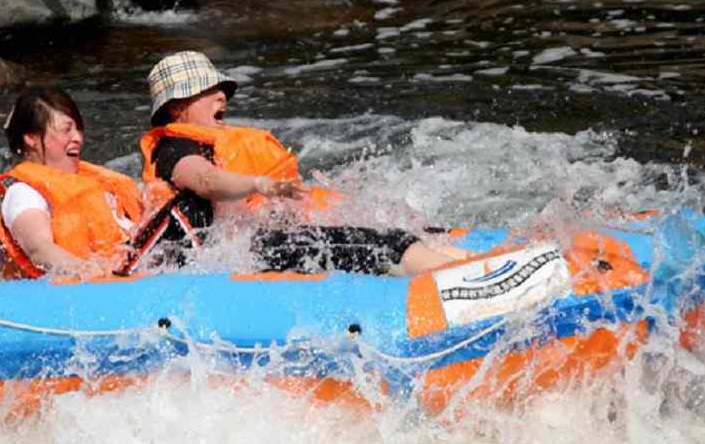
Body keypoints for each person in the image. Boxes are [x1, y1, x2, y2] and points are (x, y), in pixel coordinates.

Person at [130, 50, 466, 276]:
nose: (222, 96)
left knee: (378, 233)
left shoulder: (211, 143)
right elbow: (205, 181)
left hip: (243, 250)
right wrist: (258, 184)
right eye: (207, 90)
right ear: (175, 108)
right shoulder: (173, 148)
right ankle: (464, 282)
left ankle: (470, 264)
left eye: (221, 89)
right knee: (381, 243)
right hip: (222, 262)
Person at [0, 86, 143, 279]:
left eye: (78, 129)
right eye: (67, 130)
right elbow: (39, 249)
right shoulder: (23, 193)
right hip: (89, 287)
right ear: (32, 139)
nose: (78, 137)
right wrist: (84, 269)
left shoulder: (91, 181)